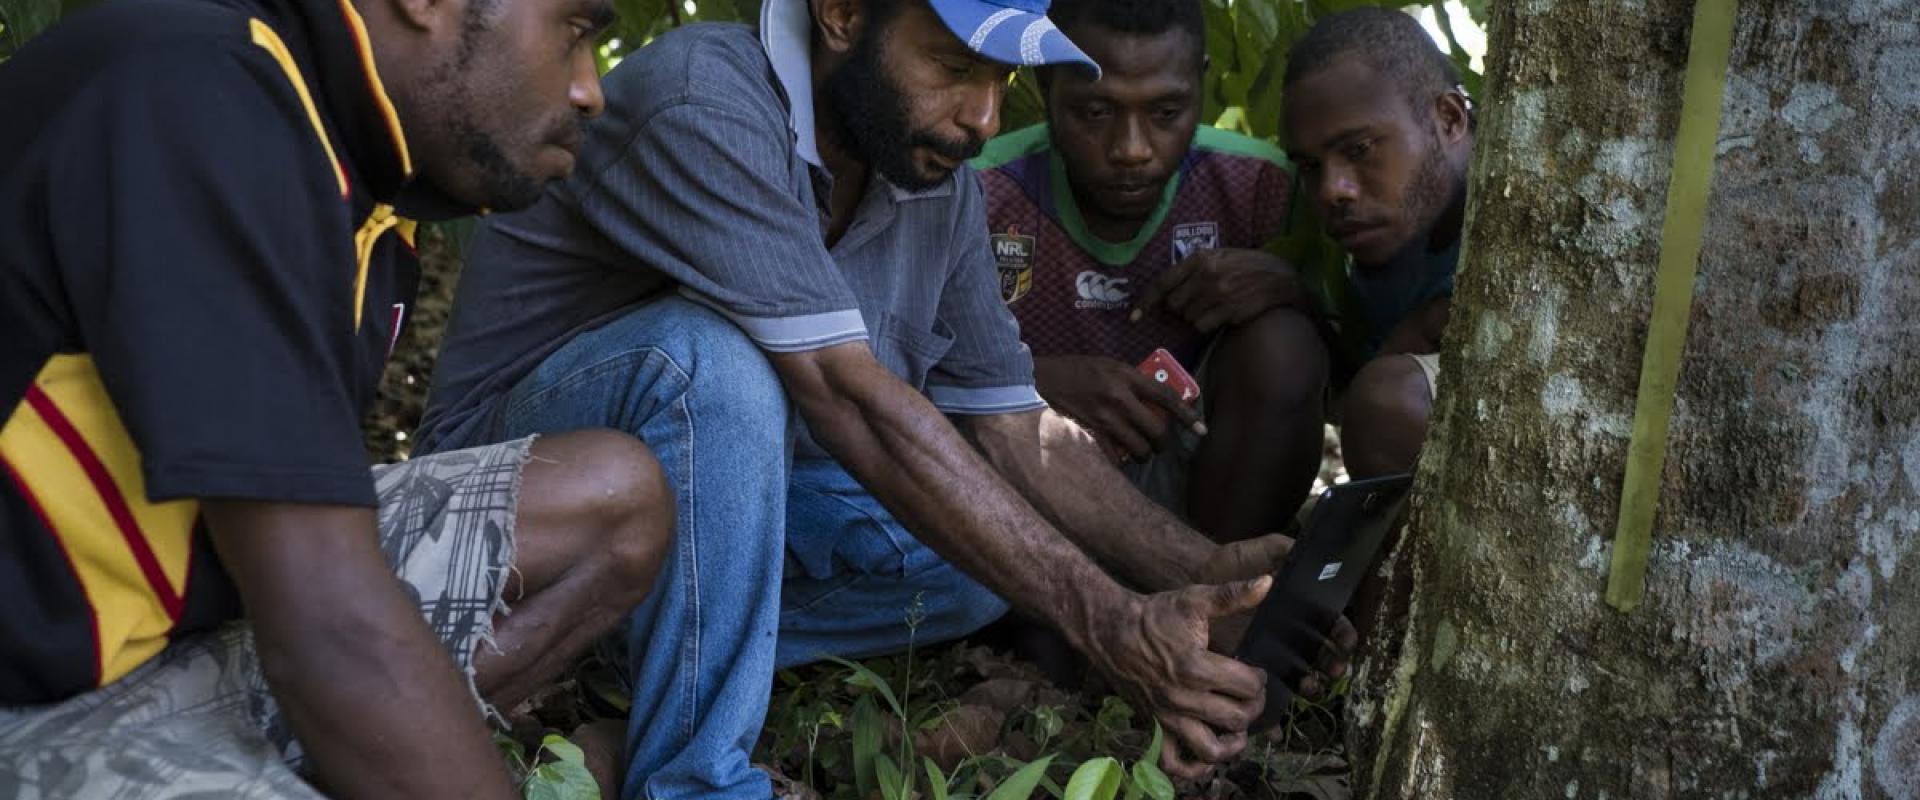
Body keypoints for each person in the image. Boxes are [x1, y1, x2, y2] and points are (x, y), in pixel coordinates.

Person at [415, 0, 1348, 795]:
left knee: (989, 545)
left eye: (1000, 83)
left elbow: (1017, 431)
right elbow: (847, 399)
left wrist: (1203, 573)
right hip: (509, 504)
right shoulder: (709, 98)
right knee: (715, 362)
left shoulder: (927, 176)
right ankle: (694, 774)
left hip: (692, 519)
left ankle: (645, 669)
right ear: (843, 14)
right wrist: (1107, 623)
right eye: (951, 67)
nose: (983, 118)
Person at [0, 0, 675, 796]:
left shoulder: (365, 195)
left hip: (171, 624)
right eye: (574, 30)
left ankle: (333, 755)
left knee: (614, 500)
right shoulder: (202, 94)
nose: (590, 89)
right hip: (30, 697)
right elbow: (329, 623)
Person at [973, 0, 1330, 542]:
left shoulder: (1264, 187)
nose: (1131, 150)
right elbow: (893, 372)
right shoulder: (976, 192)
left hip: (1207, 490)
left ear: (1200, 84)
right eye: (1096, 112)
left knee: (1286, 341)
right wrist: (1030, 383)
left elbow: (1346, 368)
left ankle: (1222, 591)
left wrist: (1293, 291)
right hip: (1025, 496)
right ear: (1046, 87)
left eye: (1165, 113)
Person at [1280, 7, 1471, 479]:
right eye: (1309, 166)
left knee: (1388, 404)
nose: (1331, 191)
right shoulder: (1378, 232)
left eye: (1359, 150)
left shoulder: (1529, 193)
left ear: (1448, 120)